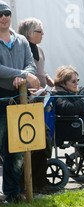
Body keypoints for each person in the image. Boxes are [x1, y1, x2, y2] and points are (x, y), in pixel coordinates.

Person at [0, 1, 40, 204]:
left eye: (6, 13)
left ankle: (12, 193)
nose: (3, 17)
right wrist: (22, 74)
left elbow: (30, 65)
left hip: (18, 98)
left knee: (15, 149)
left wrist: (25, 76)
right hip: (0, 98)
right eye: (0, 14)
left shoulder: (22, 40)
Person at [17, 18, 55, 194]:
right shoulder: (20, 51)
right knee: (27, 146)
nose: (43, 34)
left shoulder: (39, 50)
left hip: (39, 104)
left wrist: (46, 77)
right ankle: (25, 185)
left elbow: (38, 70)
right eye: (39, 31)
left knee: (44, 143)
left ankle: (40, 182)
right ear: (29, 34)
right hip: (25, 105)